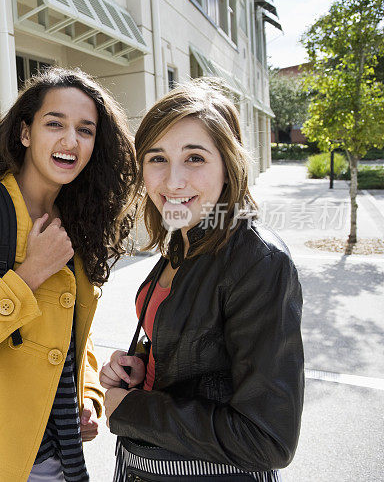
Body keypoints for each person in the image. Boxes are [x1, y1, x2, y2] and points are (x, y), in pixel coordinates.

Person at [0, 67, 137, 481]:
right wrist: (28, 276)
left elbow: (75, 328)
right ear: (25, 133)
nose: (70, 141)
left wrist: (89, 395)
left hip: (65, 443)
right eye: (54, 123)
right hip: (11, 455)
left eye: (85, 130)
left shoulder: (76, 216)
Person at [100, 79, 304, 481]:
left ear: (228, 166)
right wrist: (142, 366)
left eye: (194, 158)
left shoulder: (259, 262)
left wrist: (130, 409)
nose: (173, 181)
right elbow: (197, 350)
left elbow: (268, 438)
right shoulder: (184, 241)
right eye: (157, 158)